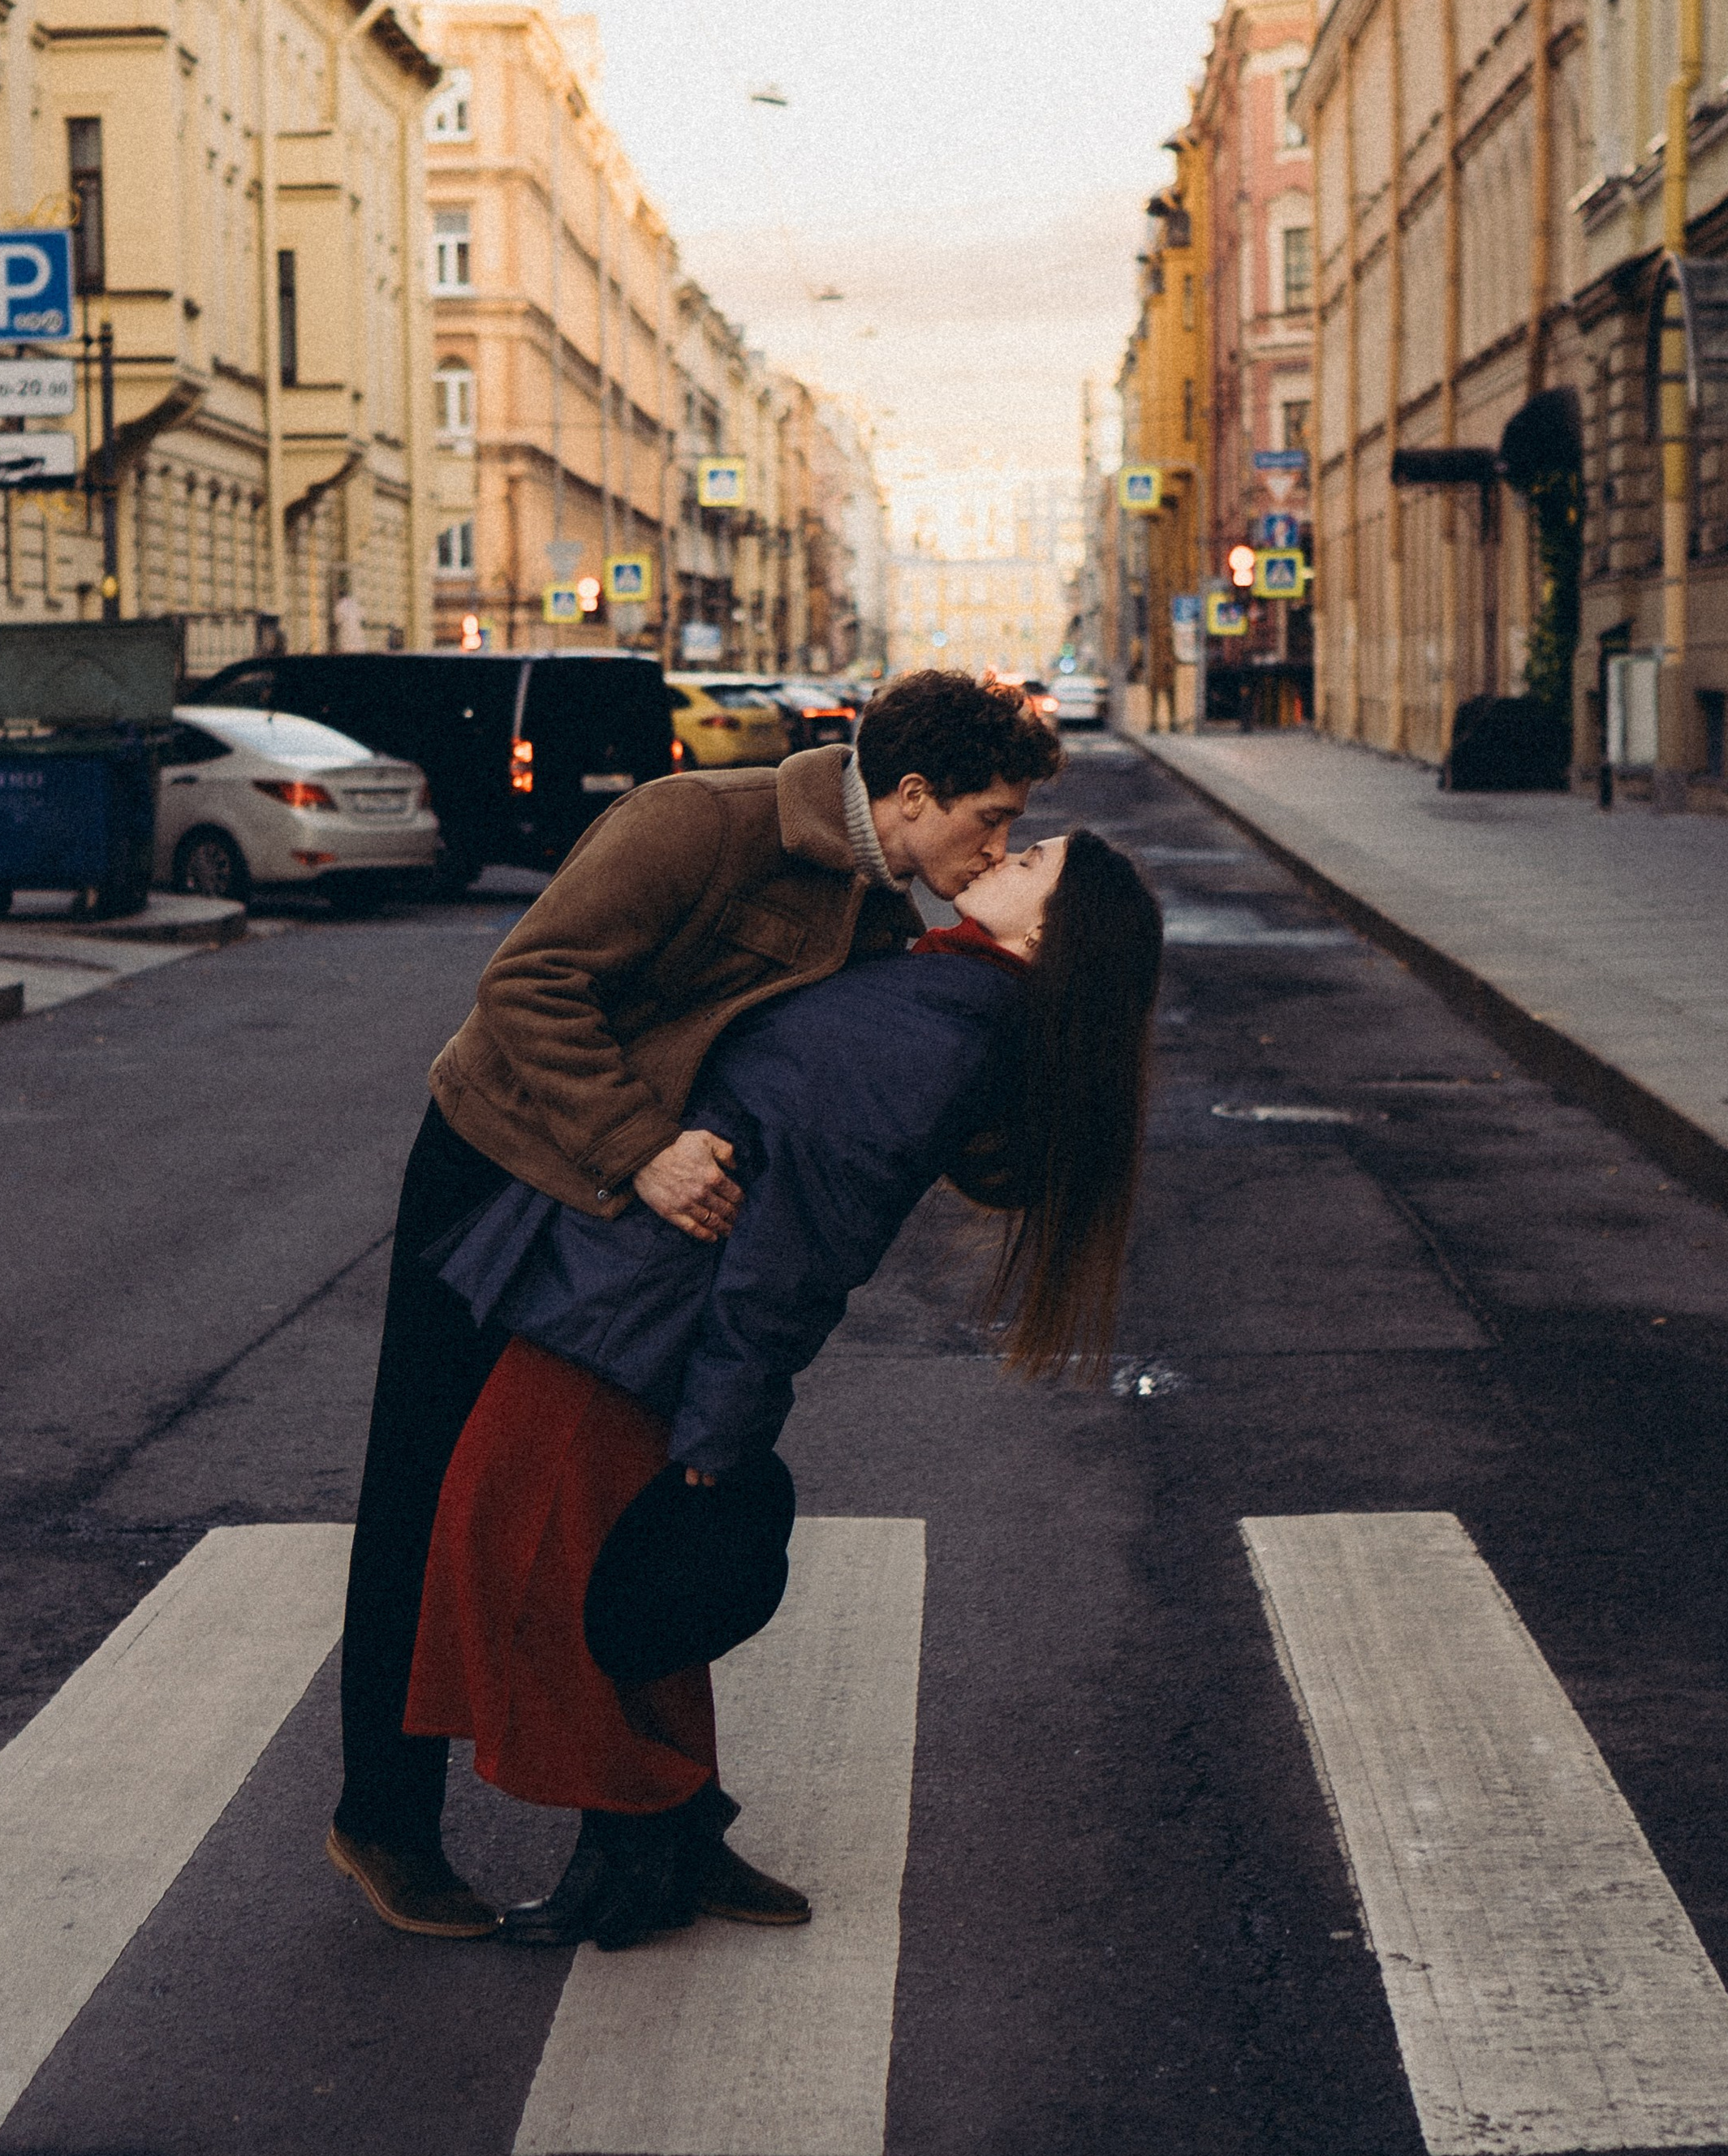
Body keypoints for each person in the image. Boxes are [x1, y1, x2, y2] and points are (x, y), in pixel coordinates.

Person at [327, 669, 1062, 1938]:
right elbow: (527, 986)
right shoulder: (701, 823)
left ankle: (671, 1827)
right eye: (989, 819)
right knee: (425, 1493)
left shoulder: (879, 911)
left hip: (631, 1235)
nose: (997, 847)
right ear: (911, 793)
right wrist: (642, 1150)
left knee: (634, 1522)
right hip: (500, 1166)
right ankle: (383, 1824)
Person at [403, 824, 1166, 1951]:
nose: (1003, 852)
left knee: (517, 1567)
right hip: (636, 1300)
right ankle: (680, 1832)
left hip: (635, 1316)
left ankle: (640, 1834)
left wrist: (721, 1429)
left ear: (1049, 935)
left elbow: (799, 1248)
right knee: (606, 1577)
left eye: (1031, 859)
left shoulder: (942, 1033)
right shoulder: (945, 990)